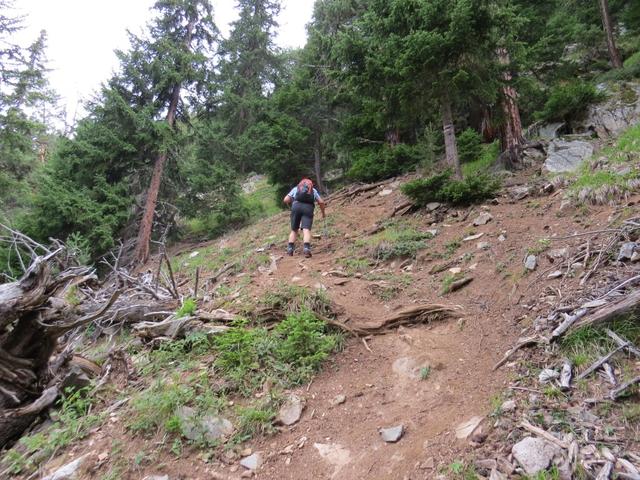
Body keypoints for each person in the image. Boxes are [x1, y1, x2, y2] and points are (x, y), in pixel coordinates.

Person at [284, 178, 326, 258]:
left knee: (294, 230)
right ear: (310, 185)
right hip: (308, 208)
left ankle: (290, 249)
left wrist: (292, 205)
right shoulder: (313, 191)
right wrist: (323, 213)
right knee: (306, 230)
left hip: (296, 207)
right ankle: (306, 249)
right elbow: (321, 202)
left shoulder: (296, 189)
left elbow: (285, 200)